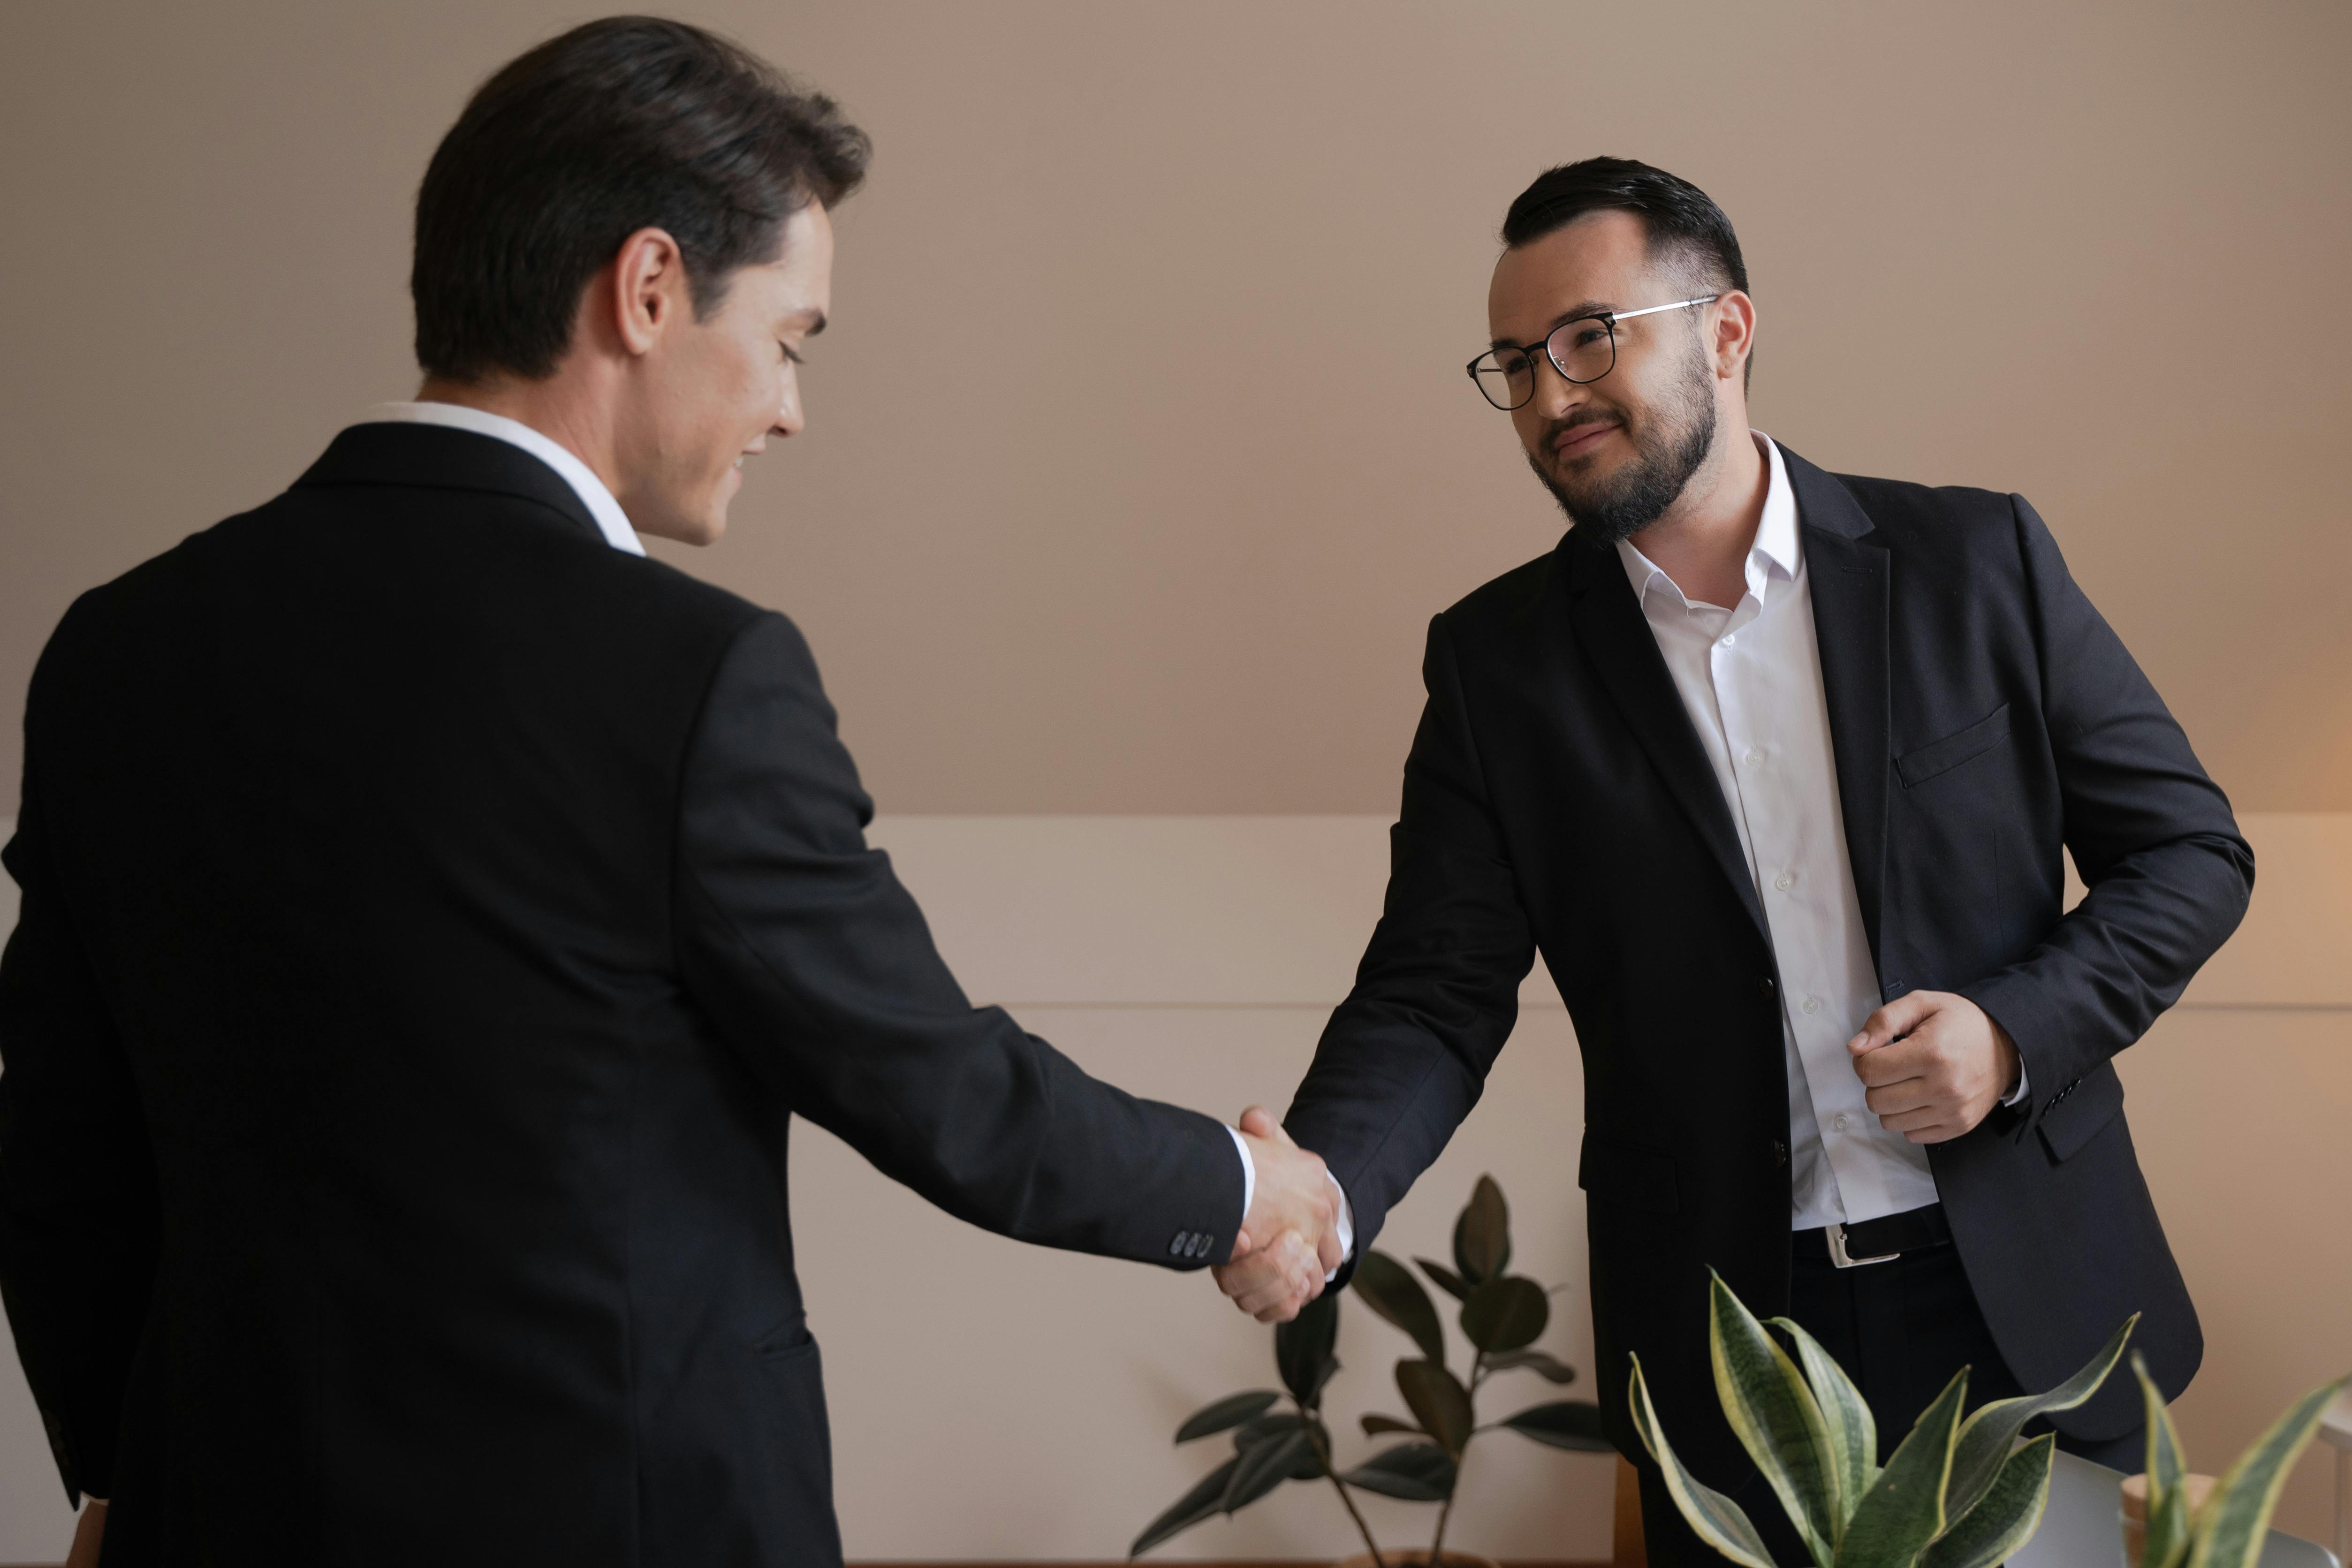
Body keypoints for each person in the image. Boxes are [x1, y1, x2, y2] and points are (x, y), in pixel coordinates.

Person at [0, 19, 1342, 1567]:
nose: (789, 407)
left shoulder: (120, 649)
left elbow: (59, 1148)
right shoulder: (693, 674)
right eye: (790, 339)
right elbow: (936, 1087)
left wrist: (119, 1481)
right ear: (646, 290)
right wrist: (1244, 1190)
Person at [1209, 158, 2250, 1566]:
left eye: (1589, 338)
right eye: (1515, 363)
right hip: (1729, 1348)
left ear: (1727, 331)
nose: (1551, 394)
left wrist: (2013, 1033)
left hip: (2025, 1306)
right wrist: (1317, 1194)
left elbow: (2190, 853)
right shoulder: (1497, 667)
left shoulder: (1975, 559)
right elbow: (1431, 993)